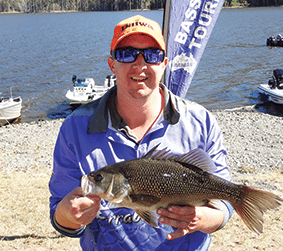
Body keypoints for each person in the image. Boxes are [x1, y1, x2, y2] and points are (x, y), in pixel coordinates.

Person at [49, 15, 233, 250]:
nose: (140, 64)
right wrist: (68, 214)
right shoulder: (74, 128)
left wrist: (201, 219)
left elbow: (225, 204)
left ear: (164, 63)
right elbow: (60, 215)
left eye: (152, 55)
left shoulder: (201, 122)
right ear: (111, 64)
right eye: (127, 53)